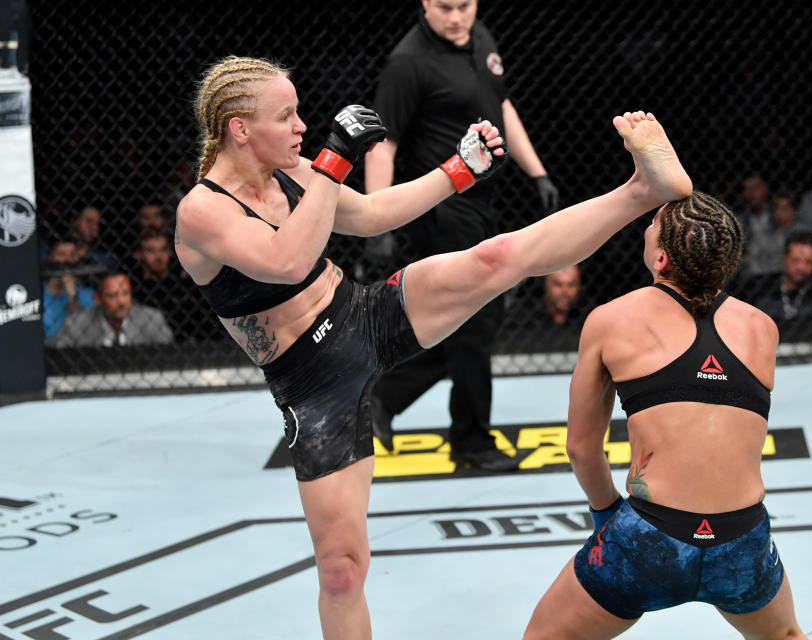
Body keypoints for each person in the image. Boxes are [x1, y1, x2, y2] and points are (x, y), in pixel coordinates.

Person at [174, 55, 691, 639]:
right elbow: (286, 261)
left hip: (363, 316)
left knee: (496, 258)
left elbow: (368, 215)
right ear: (240, 128)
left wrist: (456, 171)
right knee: (342, 570)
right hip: (313, 387)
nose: (301, 127)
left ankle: (641, 191)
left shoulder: (293, 176)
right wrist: (335, 160)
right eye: (287, 116)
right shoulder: (202, 211)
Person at [523, 193, 807, 640]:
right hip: (742, 540)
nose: (645, 227)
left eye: (652, 223)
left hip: (652, 538)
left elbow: (580, 448)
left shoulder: (610, 320)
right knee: (785, 634)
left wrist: (606, 516)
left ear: (660, 257)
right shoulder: (761, 327)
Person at [364, 0, 559, 467]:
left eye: (465, 6)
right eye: (446, 7)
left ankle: (381, 399)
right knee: (474, 322)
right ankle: (471, 440)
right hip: (440, 206)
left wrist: (537, 172)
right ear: (426, 5)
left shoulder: (481, 38)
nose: (457, 17)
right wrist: (377, 218)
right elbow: (381, 143)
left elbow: (501, 101)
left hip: (479, 203)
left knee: (475, 321)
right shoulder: (407, 63)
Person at [53, 271, 174, 347]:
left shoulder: (151, 319)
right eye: (112, 296)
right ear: (98, 299)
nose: (121, 302)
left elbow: (168, 357)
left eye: (125, 293)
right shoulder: (76, 325)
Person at [497, 264, 592, 353]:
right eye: (558, 284)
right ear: (546, 284)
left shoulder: (587, 315)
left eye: (571, 285)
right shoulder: (525, 317)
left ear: (579, 287)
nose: (565, 291)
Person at [750, 229, 812, 324]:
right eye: (795, 260)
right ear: (785, 259)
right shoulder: (759, 289)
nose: (801, 267)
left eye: (808, 262)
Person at [42, 238, 97, 341]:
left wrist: (71, 294)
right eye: (62, 254)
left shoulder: (88, 296)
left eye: (72, 255)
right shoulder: (36, 294)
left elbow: (84, 332)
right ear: (50, 258)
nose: (67, 260)